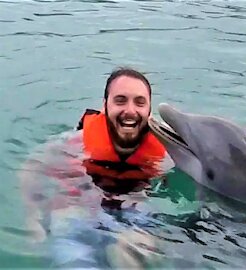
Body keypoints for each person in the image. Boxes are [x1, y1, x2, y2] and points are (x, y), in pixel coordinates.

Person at [18, 67, 170, 267]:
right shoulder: (75, 143)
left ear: (149, 110)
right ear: (105, 106)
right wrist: (33, 216)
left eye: (139, 102)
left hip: (133, 217)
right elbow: (33, 166)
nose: (130, 111)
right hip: (76, 216)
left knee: (131, 253)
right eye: (120, 100)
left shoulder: (166, 152)